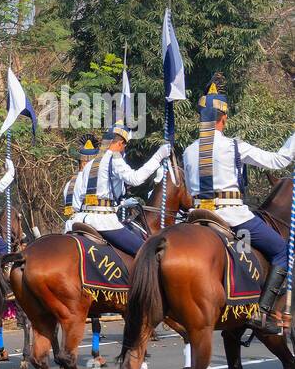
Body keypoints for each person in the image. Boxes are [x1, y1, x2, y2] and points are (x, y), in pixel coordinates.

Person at [182, 74, 295, 333]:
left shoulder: (188, 150)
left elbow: (189, 190)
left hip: (196, 216)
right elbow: (279, 161)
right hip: (232, 216)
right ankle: (262, 311)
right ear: (222, 119)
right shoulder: (234, 146)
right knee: (283, 251)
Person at [70, 119, 171, 257]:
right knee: (149, 253)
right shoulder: (114, 158)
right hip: (104, 221)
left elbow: (82, 196)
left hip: (83, 218)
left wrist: (118, 205)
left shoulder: (89, 164)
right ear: (119, 143)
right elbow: (135, 179)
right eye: (124, 146)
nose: (124, 150)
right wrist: (158, 156)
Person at [63, 135, 100, 232]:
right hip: (85, 225)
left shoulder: (68, 184)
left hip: (70, 225)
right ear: (84, 163)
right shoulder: (91, 182)